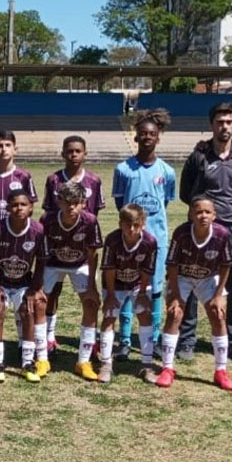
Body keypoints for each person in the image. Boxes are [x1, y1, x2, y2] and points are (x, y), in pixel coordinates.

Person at [178, 102, 232, 363]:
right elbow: (185, 192)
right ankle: (186, 340)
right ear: (212, 125)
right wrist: (204, 215)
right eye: (219, 122)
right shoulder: (199, 156)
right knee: (191, 277)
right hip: (204, 227)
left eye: (229, 121)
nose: (224, 126)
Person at [111, 109, 175, 359]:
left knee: (154, 290)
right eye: (143, 134)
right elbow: (121, 204)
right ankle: (125, 340)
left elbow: (165, 202)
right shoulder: (123, 169)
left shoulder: (167, 171)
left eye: (152, 134)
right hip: (129, 241)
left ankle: (155, 339)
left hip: (156, 240)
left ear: (158, 137)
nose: (147, 137)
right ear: (135, 137)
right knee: (127, 287)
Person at [157, 197, 232, 391]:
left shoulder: (222, 234)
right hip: (182, 277)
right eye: (199, 212)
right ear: (191, 214)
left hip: (208, 277)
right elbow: (172, 265)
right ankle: (167, 368)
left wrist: (218, 296)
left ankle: (221, 370)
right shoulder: (181, 233)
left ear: (214, 215)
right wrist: (175, 295)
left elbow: (226, 266)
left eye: (208, 212)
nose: (203, 216)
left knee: (218, 315)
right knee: (175, 314)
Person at [41, 135, 105, 355]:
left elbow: (93, 213)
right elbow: (48, 214)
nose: (74, 155)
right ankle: (49, 337)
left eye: (78, 151)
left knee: (89, 297)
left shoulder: (94, 181)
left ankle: (91, 341)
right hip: (57, 249)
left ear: (85, 153)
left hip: (80, 248)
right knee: (52, 293)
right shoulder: (53, 180)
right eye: (69, 151)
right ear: (63, 153)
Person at [37, 182, 103, 381]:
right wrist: (38, 284)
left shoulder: (90, 221)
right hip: (52, 262)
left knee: (91, 303)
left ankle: (83, 361)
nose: (71, 207)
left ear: (84, 203)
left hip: (79, 263)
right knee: (40, 303)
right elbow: (40, 253)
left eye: (76, 203)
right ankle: (42, 358)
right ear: (58, 202)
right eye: (67, 202)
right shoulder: (47, 220)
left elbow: (93, 255)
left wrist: (92, 287)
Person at [0, 190, 46, 383]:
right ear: (7, 208)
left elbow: (42, 262)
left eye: (23, 204)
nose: (18, 208)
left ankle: (27, 363)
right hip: (1, 282)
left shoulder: (38, 230)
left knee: (28, 310)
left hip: (23, 283)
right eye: (14, 205)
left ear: (31, 207)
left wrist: (34, 289)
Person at [98, 204, 157, 384]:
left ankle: (146, 364)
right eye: (127, 224)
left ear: (143, 224)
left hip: (139, 283)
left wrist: (142, 293)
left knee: (145, 316)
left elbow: (148, 269)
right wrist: (110, 295)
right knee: (109, 316)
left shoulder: (150, 242)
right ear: (120, 224)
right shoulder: (112, 240)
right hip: (114, 283)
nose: (131, 229)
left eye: (136, 225)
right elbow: (109, 268)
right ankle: (106, 364)